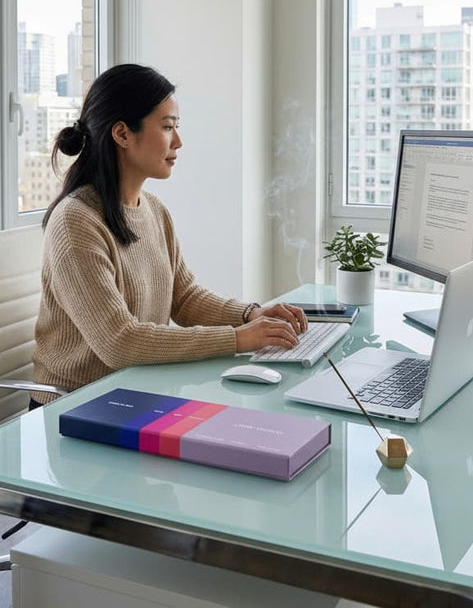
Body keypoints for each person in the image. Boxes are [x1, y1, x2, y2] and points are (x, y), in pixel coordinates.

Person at [32, 63, 307, 402]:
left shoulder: (153, 209)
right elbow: (120, 342)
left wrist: (251, 314)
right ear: (122, 134)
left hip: (133, 393)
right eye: (167, 127)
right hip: (74, 406)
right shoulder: (76, 223)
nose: (178, 141)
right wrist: (239, 338)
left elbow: (185, 298)